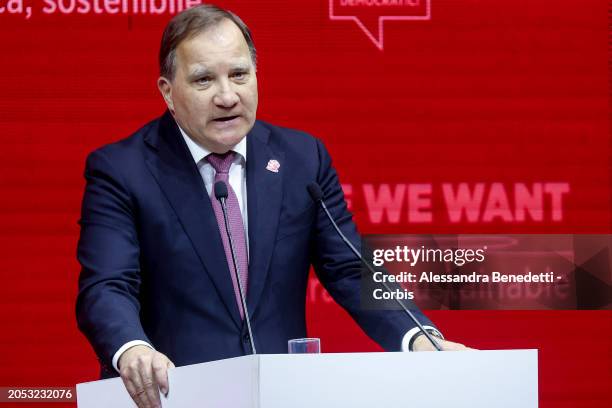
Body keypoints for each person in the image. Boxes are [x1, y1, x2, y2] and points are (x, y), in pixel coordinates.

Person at [76, 5, 468, 408]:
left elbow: (351, 268)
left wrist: (417, 336)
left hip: (282, 395)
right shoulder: (122, 170)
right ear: (167, 91)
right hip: (174, 396)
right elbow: (107, 285)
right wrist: (133, 349)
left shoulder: (302, 158)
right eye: (204, 79)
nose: (227, 96)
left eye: (239, 75)